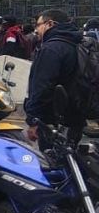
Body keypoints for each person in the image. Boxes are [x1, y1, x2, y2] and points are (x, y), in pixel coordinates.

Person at [25, 9, 84, 146]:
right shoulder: (77, 43)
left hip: (53, 119)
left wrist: (34, 120)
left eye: (38, 24)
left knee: (52, 161)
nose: (36, 30)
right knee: (72, 159)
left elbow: (42, 87)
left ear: (50, 24)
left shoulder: (51, 49)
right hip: (76, 115)